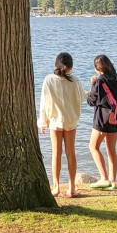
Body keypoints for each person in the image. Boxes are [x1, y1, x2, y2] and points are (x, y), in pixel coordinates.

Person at [38, 52, 87, 198]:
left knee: (56, 154)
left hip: (55, 121)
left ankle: (56, 187)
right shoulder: (75, 81)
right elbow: (82, 97)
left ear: (55, 64)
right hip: (70, 120)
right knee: (70, 153)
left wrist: (43, 122)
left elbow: (44, 103)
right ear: (70, 67)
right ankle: (72, 188)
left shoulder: (49, 80)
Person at [87, 54, 117, 189]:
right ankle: (113, 181)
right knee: (111, 149)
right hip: (116, 118)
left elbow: (91, 101)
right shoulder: (116, 78)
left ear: (98, 68)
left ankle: (104, 178)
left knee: (93, 147)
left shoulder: (100, 81)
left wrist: (93, 85)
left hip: (103, 119)